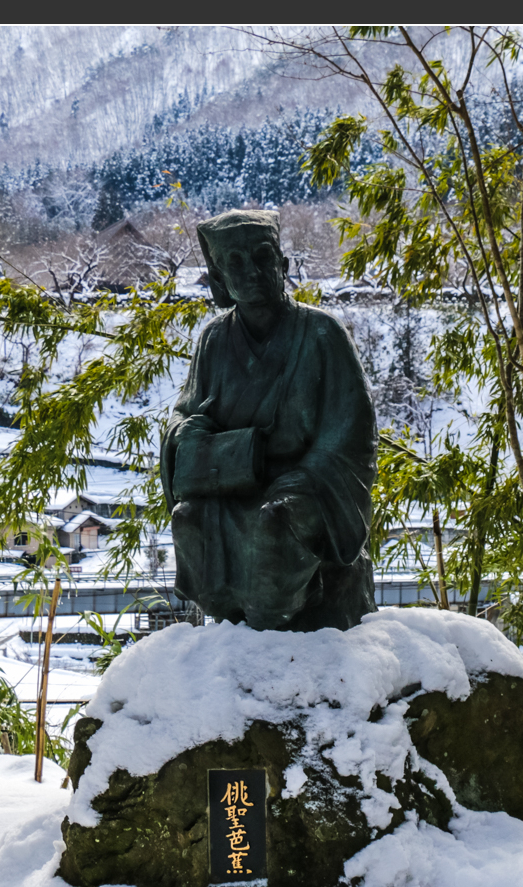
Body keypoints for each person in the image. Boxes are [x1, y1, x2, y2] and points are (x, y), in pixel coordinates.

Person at [160, 209, 377, 631]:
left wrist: (299, 477)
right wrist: (195, 440)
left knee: (275, 521)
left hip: (307, 485)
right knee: (188, 519)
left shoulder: (322, 333)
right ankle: (231, 627)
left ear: (283, 265)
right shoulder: (213, 340)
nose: (252, 271)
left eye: (262, 256)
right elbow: (185, 416)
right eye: (235, 262)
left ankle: (281, 632)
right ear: (218, 278)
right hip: (233, 484)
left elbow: (352, 436)